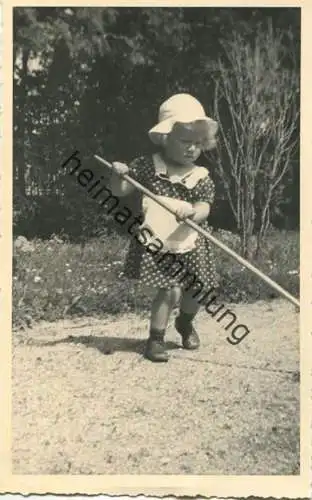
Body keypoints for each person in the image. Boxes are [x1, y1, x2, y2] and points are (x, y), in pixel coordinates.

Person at [110, 93, 218, 362]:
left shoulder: (200, 176)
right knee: (169, 290)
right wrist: (118, 175)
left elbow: (205, 206)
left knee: (195, 290)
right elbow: (121, 190)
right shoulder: (148, 166)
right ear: (165, 137)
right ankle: (155, 340)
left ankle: (185, 323)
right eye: (185, 141)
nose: (192, 148)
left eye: (197, 143)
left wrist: (194, 212)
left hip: (191, 242)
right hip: (159, 241)